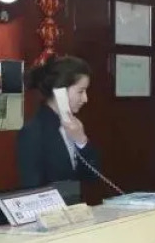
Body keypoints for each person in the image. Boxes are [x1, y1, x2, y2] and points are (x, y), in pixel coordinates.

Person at [16, 56, 100, 188]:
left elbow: (91, 176)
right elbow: (33, 188)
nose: (85, 99)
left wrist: (82, 141)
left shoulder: (75, 126)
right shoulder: (33, 132)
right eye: (80, 91)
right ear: (60, 91)